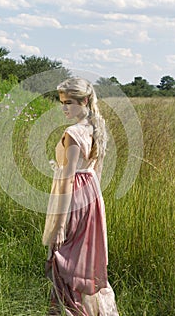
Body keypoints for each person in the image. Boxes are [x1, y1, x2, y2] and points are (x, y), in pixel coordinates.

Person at [42, 77, 119, 316]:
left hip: (74, 197)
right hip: (92, 195)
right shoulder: (97, 125)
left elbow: (67, 179)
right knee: (82, 256)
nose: (64, 107)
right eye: (62, 102)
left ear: (84, 100)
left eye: (70, 102)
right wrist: (94, 202)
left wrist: (60, 225)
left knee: (63, 253)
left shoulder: (73, 132)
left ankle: (71, 310)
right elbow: (98, 171)